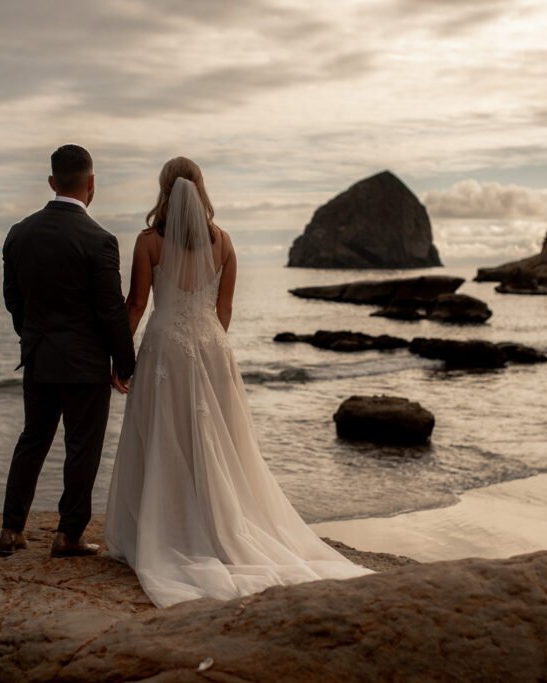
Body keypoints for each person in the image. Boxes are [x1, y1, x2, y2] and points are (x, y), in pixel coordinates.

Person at [105, 157, 372, 607]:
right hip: (212, 348)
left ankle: (165, 531)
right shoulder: (224, 242)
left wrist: (121, 359)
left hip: (166, 347)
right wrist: (209, 348)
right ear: (201, 189)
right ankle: (221, 526)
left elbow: (134, 304)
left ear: (164, 190)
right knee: (218, 442)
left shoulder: (149, 242)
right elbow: (223, 311)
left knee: (164, 438)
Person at [0, 145, 135, 558]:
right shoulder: (99, 240)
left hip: (39, 356)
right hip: (85, 363)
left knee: (32, 440)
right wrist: (124, 364)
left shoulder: (18, 233)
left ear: (52, 182)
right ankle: (68, 535)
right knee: (82, 447)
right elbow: (111, 311)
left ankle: (10, 530)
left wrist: (33, 336)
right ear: (92, 184)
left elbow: (12, 300)